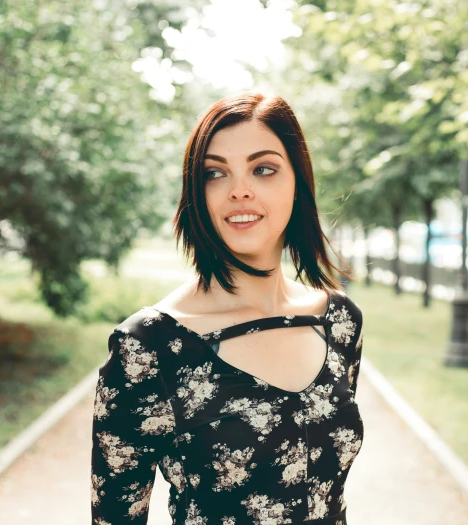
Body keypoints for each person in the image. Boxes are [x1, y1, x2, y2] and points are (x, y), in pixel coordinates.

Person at [91, 92, 364, 524]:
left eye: (263, 169)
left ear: (297, 183)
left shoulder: (339, 322)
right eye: (215, 173)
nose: (240, 190)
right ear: (196, 195)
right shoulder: (150, 347)